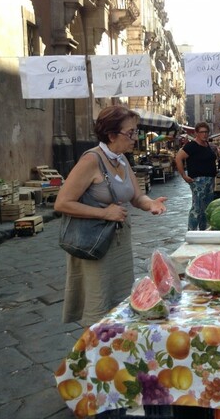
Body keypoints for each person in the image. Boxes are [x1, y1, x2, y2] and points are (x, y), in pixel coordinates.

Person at [55, 106, 168, 326]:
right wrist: (104, 212)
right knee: (98, 306)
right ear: (111, 135)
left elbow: (136, 196)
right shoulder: (91, 160)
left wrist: (150, 204)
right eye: (131, 133)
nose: (136, 138)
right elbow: (62, 203)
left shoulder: (122, 160)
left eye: (136, 132)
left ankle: (114, 348)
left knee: (119, 301)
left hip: (119, 243)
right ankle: (95, 353)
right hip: (95, 244)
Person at [175, 122, 217, 230]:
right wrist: (184, 175)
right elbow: (178, 158)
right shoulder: (192, 146)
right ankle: (191, 233)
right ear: (196, 133)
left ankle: (204, 233)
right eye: (202, 132)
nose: (204, 134)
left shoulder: (207, 145)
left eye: (206, 132)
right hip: (198, 181)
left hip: (210, 181)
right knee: (197, 208)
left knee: (207, 209)